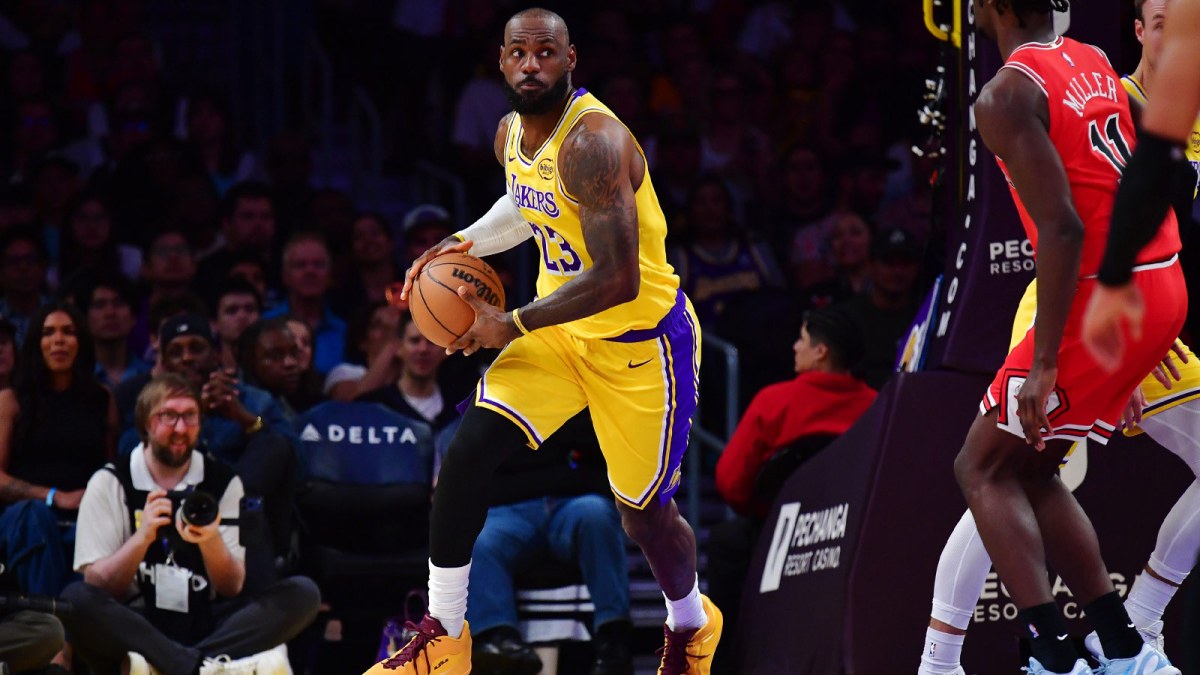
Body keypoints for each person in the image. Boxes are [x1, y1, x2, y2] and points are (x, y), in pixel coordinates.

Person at [367, 8, 721, 675]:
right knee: (467, 450)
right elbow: (525, 206)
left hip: (640, 344)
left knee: (644, 518)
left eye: (546, 53)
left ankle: (690, 625)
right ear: (501, 61)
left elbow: (616, 277)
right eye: (519, 53)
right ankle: (444, 636)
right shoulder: (509, 134)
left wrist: (510, 324)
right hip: (558, 334)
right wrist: (458, 244)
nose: (532, 65)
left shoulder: (594, 142)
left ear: (570, 59)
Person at [918, 3, 1200, 671]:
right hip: (1153, 287)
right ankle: (1119, 644)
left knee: (982, 467)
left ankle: (1052, 652)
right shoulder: (1094, 60)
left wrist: (1047, 363)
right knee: (1033, 466)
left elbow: (1064, 228)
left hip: (1092, 298)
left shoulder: (1004, 95)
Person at [60, 374, 320, 675]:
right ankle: (204, 668)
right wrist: (142, 538)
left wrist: (210, 540)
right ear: (145, 423)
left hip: (206, 619)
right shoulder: (110, 480)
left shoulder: (223, 481)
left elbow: (232, 586)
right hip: (139, 621)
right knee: (75, 599)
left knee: (303, 593)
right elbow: (99, 585)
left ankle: (171, 666)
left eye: (190, 416)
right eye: (168, 416)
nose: (181, 429)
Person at [708, 306, 875, 673]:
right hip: (855, 540)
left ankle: (723, 664)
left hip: (778, 539)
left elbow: (730, 482)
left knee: (727, 541)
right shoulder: (877, 406)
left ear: (821, 351)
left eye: (802, 339)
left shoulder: (775, 400)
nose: (795, 346)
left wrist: (765, 513)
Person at [456, 410, 634, 675]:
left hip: (574, 504)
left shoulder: (582, 395)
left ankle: (614, 636)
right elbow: (482, 458)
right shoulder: (495, 395)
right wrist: (562, 444)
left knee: (597, 514)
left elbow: (600, 449)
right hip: (508, 510)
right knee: (480, 539)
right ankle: (499, 641)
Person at [1083, 0, 1200, 366]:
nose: (1173, 38)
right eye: (1161, 25)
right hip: (1153, 282)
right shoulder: (1116, 102)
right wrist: (1114, 281)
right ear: (1140, 31)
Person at [0, 302, 116, 596]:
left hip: (84, 516)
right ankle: (47, 615)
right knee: (35, 517)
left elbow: (112, 470)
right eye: (48, 332)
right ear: (36, 344)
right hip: (24, 517)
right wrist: (54, 496)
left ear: (81, 342)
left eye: (68, 332)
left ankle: (72, 613)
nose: (59, 340)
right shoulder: (11, 401)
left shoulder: (102, 399)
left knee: (90, 536)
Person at [837, 227, 923, 389]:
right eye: (889, 263)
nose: (898, 271)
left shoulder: (927, 317)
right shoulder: (848, 319)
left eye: (905, 263)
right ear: (870, 265)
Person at [262, 233, 346, 376]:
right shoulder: (264, 326)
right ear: (285, 276)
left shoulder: (344, 331)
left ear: (330, 275)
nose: (310, 271)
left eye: (318, 265)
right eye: (300, 265)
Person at [357, 311, 456, 432]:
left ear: (446, 350)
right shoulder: (372, 406)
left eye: (432, 342)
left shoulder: (461, 408)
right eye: (415, 341)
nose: (423, 349)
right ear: (399, 347)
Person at [77, 274, 150, 389]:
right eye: (99, 305)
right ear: (85, 318)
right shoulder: (76, 376)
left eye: (119, 304)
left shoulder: (151, 375)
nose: (110, 313)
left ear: (134, 317)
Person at [208, 276, 263, 372]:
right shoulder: (207, 373)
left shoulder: (275, 372)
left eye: (250, 309)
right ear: (214, 323)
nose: (242, 316)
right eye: (232, 310)